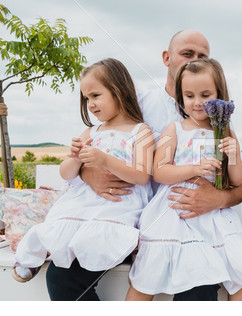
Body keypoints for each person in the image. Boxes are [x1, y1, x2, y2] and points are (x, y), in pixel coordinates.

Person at [48, 30, 242, 301]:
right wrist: (88, 172)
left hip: (188, 218)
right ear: (167, 58)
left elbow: (237, 182)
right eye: (187, 54)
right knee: (62, 277)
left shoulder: (219, 122)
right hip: (126, 213)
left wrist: (219, 199)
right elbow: (100, 141)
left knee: (199, 284)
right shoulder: (137, 104)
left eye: (202, 57)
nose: (193, 62)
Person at [13, 58, 154, 301]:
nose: (90, 104)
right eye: (86, 98)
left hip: (115, 208)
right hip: (82, 205)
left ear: (119, 91)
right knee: (63, 236)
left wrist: (105, 160)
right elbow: (66, 174)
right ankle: (35, 255)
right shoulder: (91, 132)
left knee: (83, 250)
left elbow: (142, 176)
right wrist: (76, 159)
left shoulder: (140, 131)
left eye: (96, 95)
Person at [126, 58, 242, 301]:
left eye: (205, 95)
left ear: (220, 95)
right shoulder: (175, 129)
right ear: (181, 97)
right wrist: (194, 168)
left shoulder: (227, 133)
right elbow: (160, 171)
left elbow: (238, 180)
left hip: (213, 214)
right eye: (189, 96)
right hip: (176, 208)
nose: (197, 102)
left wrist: (235, 156)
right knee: (149, 270)